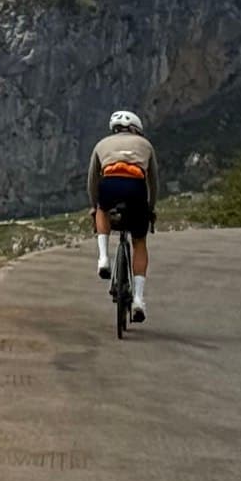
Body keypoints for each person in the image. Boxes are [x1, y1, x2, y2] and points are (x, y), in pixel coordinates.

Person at [88, 109, 158, 323]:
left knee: (102, 209)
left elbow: (92, 180)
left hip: (109, 184)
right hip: (136, 188)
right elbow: (153, 182)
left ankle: (103, 258)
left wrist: (94, 206)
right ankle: (138, 299)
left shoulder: (101, 144)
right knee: (139, 242)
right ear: (136, 129)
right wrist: (150, 209)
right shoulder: (145, 145)